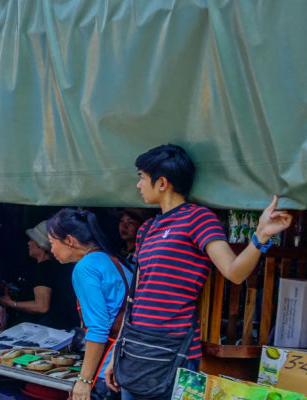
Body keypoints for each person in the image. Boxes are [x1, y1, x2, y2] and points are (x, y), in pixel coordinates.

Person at [102, 144, 290, 399]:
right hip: (135, 350)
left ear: (162, 183)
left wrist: (260, 236)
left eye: (142, 177)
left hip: (172, 350)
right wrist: (117, 353)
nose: (138, 185)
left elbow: (234, 272)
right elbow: (137, 295)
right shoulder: (147, 228)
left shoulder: (198, 219)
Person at [46, 209, 131, 400]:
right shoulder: (118, 261)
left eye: (52, 243)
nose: (51, 251)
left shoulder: (85, 268)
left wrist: (84, 381)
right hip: (127, 365)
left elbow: (99, 328)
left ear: (69, 240)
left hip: (107, 369)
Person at [0, 220, 79, 330]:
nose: (28, 243)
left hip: (47, 328)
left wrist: (11, 303)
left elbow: (42, 306)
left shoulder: (45, 268)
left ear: (41, 246)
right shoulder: (57, 266)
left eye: (31, 240)